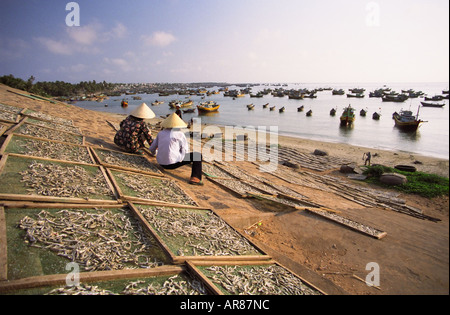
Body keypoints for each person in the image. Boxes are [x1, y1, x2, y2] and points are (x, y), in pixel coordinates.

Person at [149, 113, 203, 185]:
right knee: (197, 155)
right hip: (172, 164)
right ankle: (195, 178)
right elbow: (185, 150)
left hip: (161, 163)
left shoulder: (160, 133)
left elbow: (152, 148)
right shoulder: (179, 134)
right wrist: (181, 158)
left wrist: (155, 153)